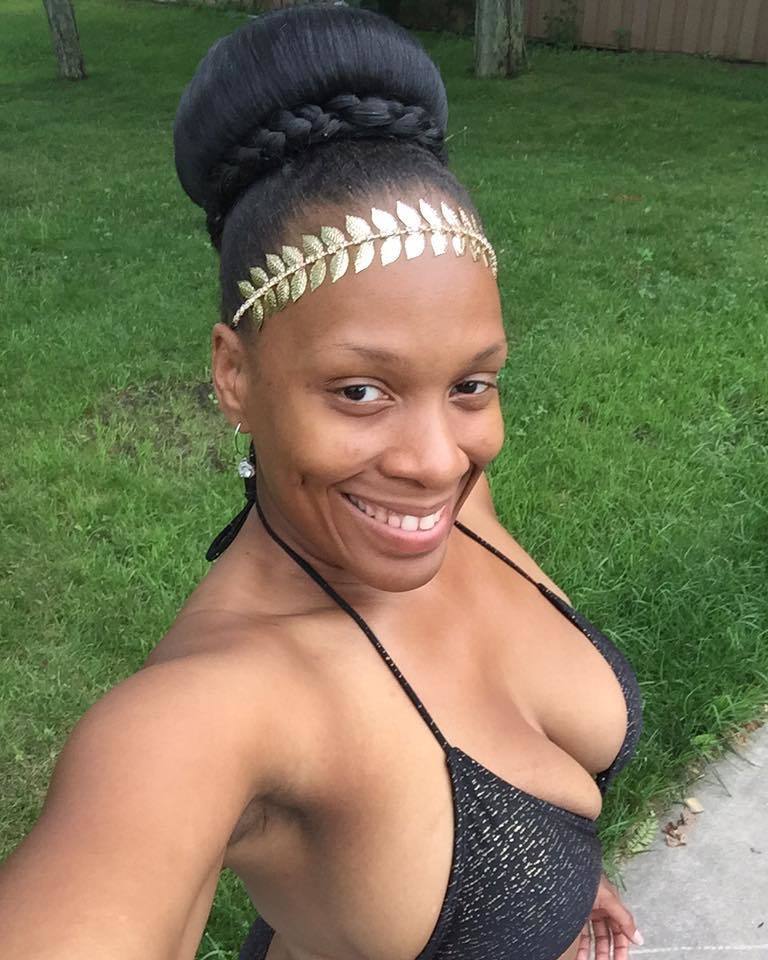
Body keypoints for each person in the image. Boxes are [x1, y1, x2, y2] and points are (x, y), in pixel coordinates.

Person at [0, 5, 645, 959]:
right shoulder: (208, 715)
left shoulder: (450, 505)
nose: (438, 459)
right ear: (234, 374)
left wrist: (558, 879)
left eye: (470, 384)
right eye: (359, 391)